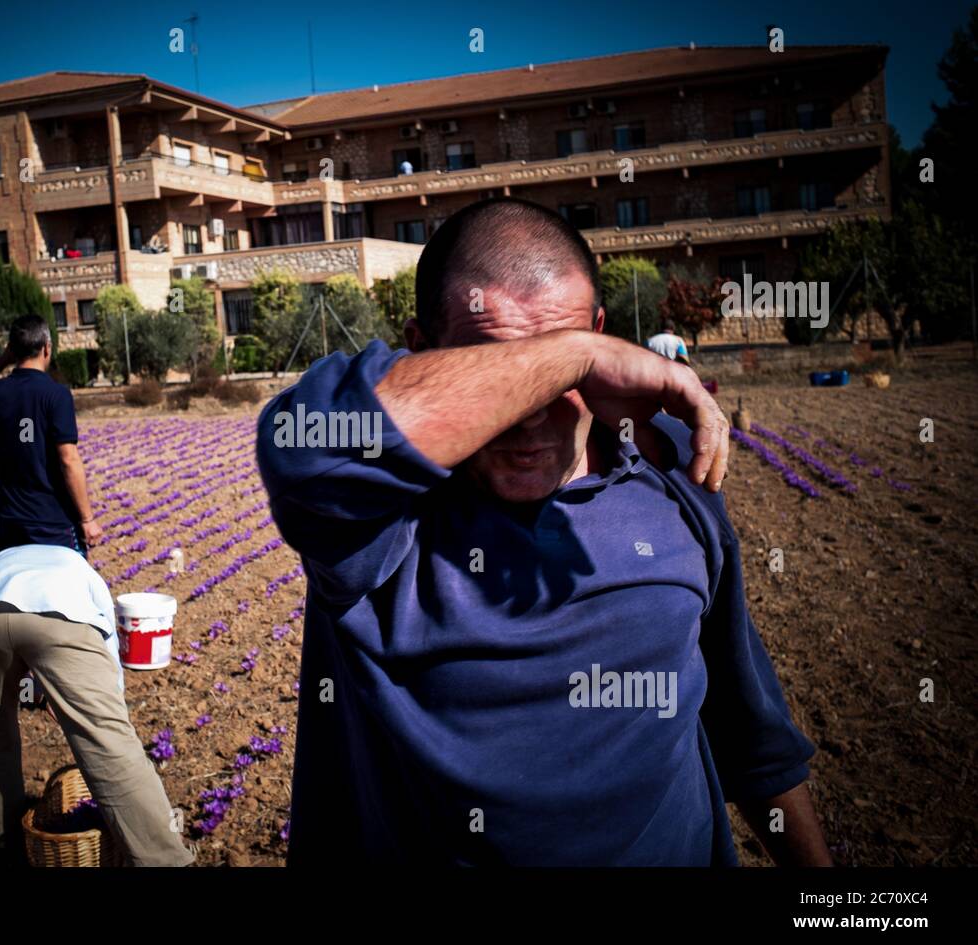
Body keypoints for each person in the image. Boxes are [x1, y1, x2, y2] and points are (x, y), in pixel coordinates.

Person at [256, 197, 831, 866]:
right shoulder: (377, 522)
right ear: (423, 349)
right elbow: (302, 447)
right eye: (505, 369)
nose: (530, 418)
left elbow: (750, 734)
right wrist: (569, 354)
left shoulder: (671, 473)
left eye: (563, 374)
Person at [0, 544, 194, 867]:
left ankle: (1, 844)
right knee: (107, 740)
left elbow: (7, 640)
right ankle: (163, 858)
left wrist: (30, 690)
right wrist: (106, 706)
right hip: (58, 613)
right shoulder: (79, 568)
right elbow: (106, 645)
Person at [0, 315, 103, 556]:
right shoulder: (56, 395)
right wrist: (87, 518)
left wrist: (3, 360)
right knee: (67, 588)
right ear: (47, 348)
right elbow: (68, 459)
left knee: (16, 590)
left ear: (13, 351)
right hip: (53, 519)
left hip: (11, 521)